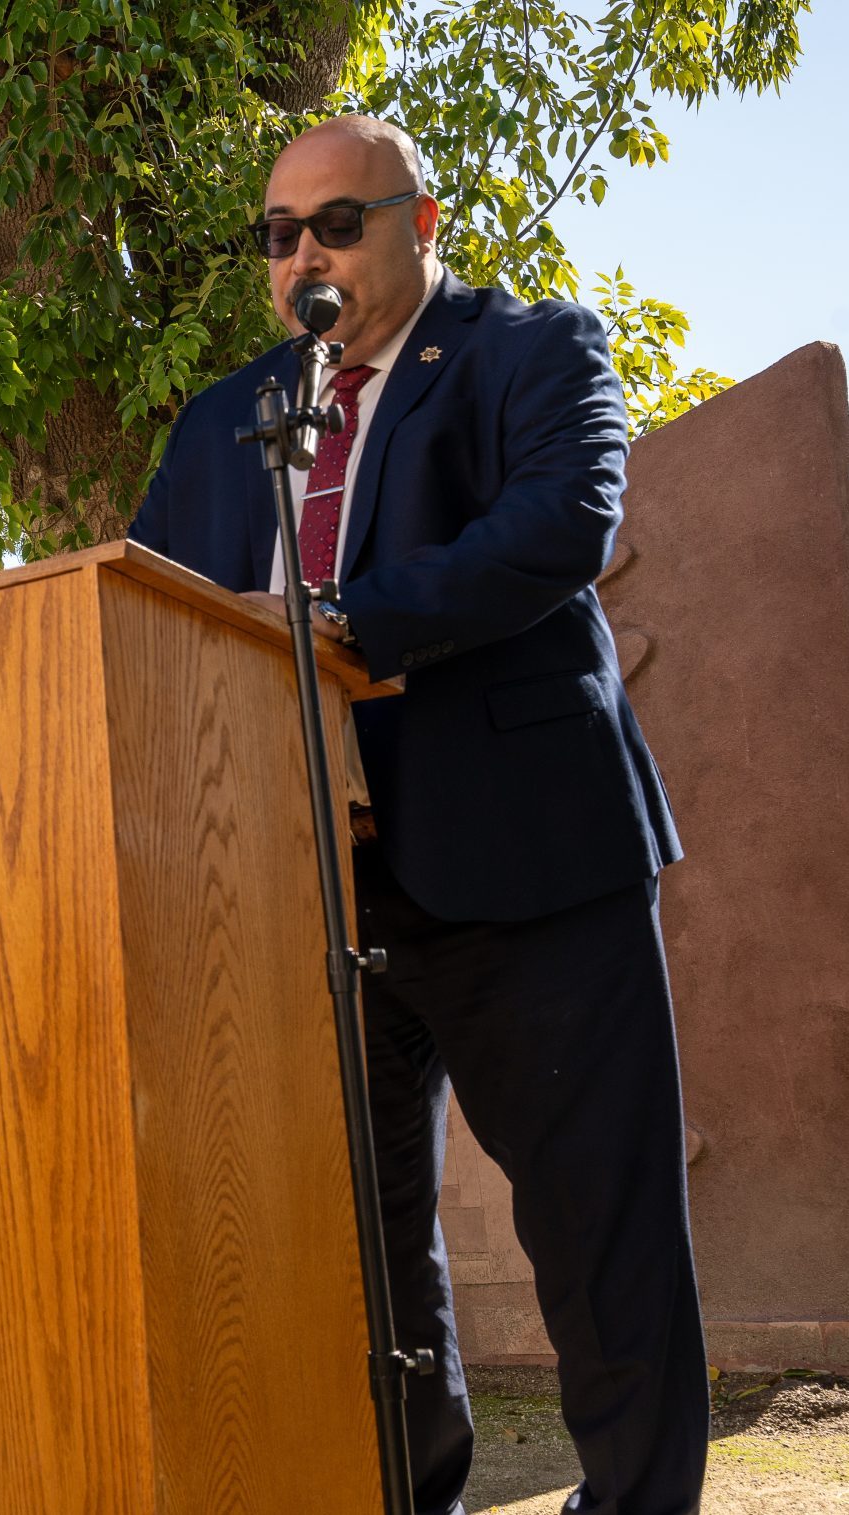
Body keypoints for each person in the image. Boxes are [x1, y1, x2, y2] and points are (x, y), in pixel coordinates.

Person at [128, 115, 700, 1515]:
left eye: (335, 222)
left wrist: (330, 621)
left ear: (419, 223)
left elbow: (562, 522)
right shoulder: (224, 422)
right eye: (277, 233)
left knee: (595, 1236)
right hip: (305, 890)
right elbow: (140, 604)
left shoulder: (527, 351)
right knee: (363, 1257)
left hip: (526, 867)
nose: (302, 253)